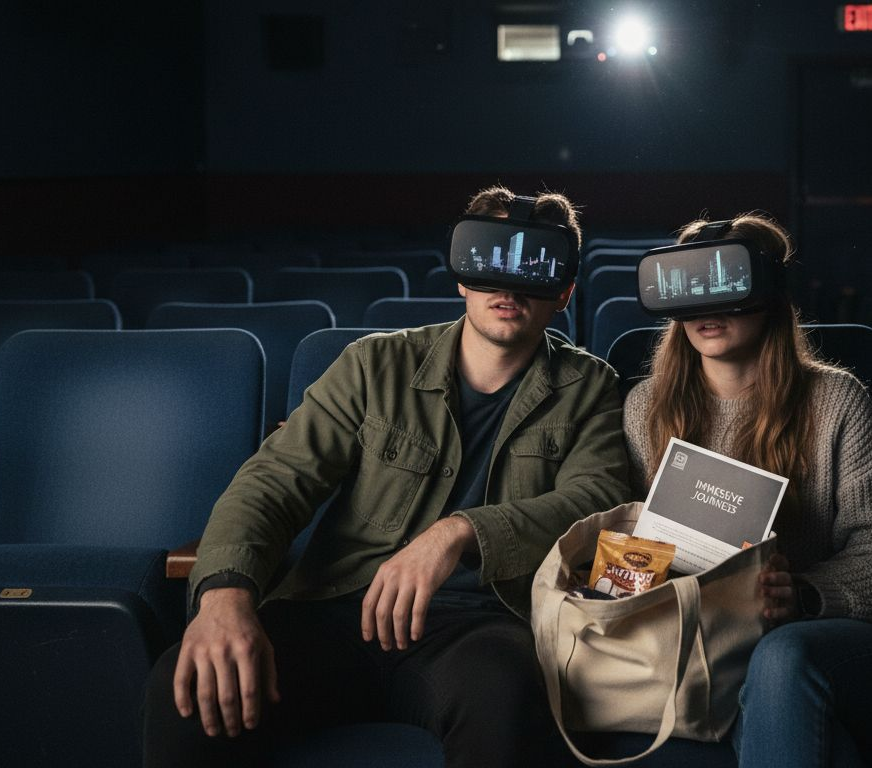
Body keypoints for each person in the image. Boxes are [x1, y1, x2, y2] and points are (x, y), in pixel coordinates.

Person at [142, 186, 632, 767]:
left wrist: (459, 533)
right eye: (488, 262)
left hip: (477, 627)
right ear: (461, 277)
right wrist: (223, 596)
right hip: (335, 611)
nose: (508, 287)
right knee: (187, 684)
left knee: (506, 699)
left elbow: (596, 499)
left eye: (534, 269)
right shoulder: (372, 364)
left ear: (564, 291)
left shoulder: (589, 385)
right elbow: (274, 482)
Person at [621, 213, 872, 767]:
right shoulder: (645, 410)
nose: (707, 312)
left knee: (780, 656)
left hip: (839, 637)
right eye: (691, 292)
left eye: (728, 289)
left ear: (770, 297)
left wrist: (801, 594)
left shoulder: (836, 401)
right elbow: (634, 544)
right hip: (710, 645)